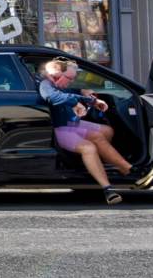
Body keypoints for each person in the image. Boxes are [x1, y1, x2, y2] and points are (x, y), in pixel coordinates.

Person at [38, 57, 132, 203]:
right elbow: (52, 97)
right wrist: (80, 101)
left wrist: (86, 93)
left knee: (106, 132)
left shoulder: (63, 84)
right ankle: (110, 185)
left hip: (71, 124)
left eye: (73, 79)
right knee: (89, 147)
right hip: (60, 128)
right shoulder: (46, 85)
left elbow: (75, 89)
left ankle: (103, 167)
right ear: (56, 73)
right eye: (69, 78)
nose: (70, 81)